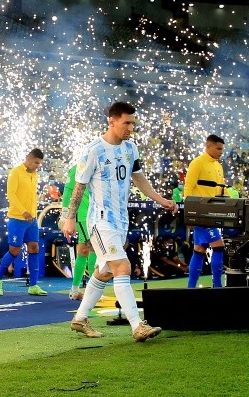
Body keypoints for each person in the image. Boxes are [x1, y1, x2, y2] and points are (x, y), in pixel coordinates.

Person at [62, 102, 177, 342]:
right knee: (122, 267)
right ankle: (137, 326)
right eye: (127, 123)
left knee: (104, 272)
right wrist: (70, 218)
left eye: (133, 123)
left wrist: (161, 199)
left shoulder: (130, 148)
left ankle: (80, 319)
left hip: (120, 221)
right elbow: (79, 187)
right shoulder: (93, 150)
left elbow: (138, 178)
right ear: (111, 121)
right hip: (100, 221)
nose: (131, 128)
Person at [0, 148, 47, 296]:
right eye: (36, 162)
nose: (37, 166)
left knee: (34, 247)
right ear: (28, 158)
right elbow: (11, 195)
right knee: (15, 250)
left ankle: (33, 285)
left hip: (32, 219)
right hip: (17, 218)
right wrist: (23, 211)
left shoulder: (35, 175)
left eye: (40, 164)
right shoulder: (15, 172)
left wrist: (33, 213)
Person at [184, 134, 227, 288]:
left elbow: (222, 190)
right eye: (219, 148)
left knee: (200, 249)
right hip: (200, 213)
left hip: (212, 212)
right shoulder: (197, 163)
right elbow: (188, 187)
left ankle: (191, 287)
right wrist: (188, 214)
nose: (221, 152)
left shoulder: (218, 166)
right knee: (219, 246)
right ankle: (217, 286)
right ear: (208, 146)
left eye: (222, 149)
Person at [59, 165, 96, 300]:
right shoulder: (78, 168)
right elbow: (68, 191)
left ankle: (75, 290)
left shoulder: (97, 166)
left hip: (94, 214)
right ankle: (92, 291)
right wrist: (65, 215)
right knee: (92, 249)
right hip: (82, 214)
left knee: (84, 251)